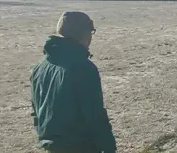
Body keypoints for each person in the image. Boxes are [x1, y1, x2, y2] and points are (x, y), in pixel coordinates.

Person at [30, 11, 116, 153]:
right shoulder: (83, 68)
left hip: (50, 146)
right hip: (79, 146)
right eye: (91, 32)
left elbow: (36, 109)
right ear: (84, 34)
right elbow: (95, 116)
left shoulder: (40, 66)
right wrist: (109, 148)